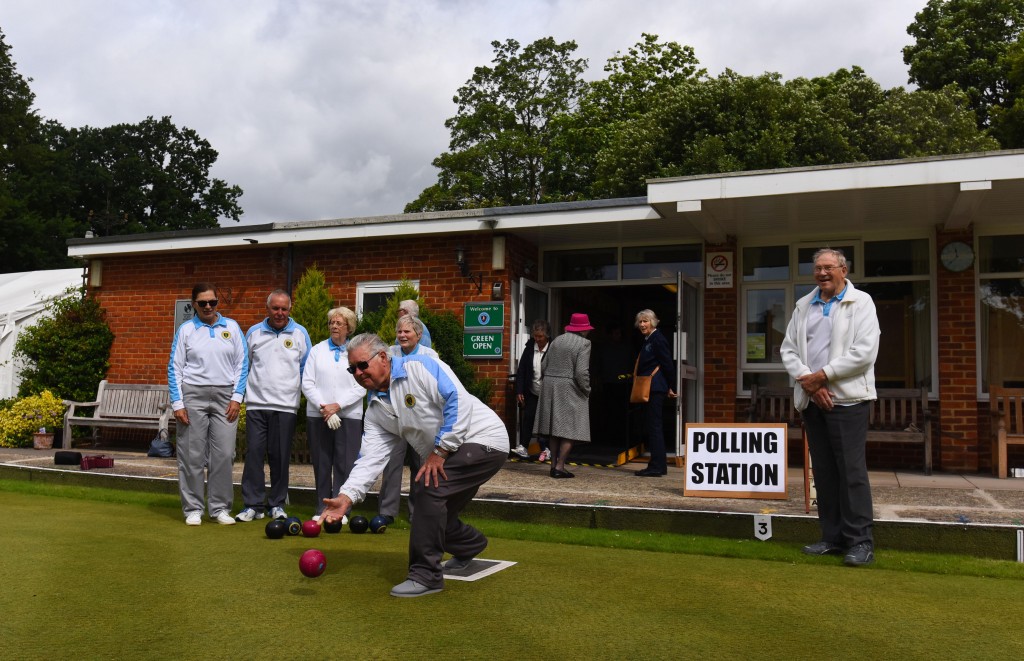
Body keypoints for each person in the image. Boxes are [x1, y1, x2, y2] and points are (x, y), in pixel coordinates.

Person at [320, 333, 509, 598]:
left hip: (484, 439)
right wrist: (346, 496)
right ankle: (469, 544)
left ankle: (426, 575)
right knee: (433, 507)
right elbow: (370, 458)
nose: (359, 372)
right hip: (453, 452)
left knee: (428, 488)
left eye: (363, 364)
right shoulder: (375, 409)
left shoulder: (421, 367)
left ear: (383, 357)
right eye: (353, 369)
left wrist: (440, 451)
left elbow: (458, 400)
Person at [780, 248, 880, 567]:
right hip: (813, 399)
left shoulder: (861, 302)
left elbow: (864, 352)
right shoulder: (803, 305)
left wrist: (823, 377)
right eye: (817, 268)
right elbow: (789, 350)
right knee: (822, 472)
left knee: (851, 471)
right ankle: (832, 537)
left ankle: (860, 542)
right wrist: (812, 382)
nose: (822, 273)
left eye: (828, 268)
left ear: (844, 270)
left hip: (848, 400)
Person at [168, 283, 248, 526]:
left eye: (212, 302)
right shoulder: (186, 330)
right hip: (193, 396)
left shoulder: (232, 327)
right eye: (202, 303)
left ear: (217, 303)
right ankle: (193, 508)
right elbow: (175, 368)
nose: (208, 307)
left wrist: (237, 398)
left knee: (224, 454)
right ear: (194, 304)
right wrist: (178, 403)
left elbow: (242, 364)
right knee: (192, 455)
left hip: (226, 397)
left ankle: (220, 508)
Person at [235, 290, 312, 522]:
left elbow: (305, 369)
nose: (280, 313)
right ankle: (253, 505)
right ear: (267, 309)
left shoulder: (300, 334)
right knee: (254, 455)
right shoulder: (254, 332)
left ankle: (277, 504)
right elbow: (244, 367)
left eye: (284, 309)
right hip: (256, 404)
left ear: (290, 309)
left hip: (286, 406)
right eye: (275, 308)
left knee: (279, 457)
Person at [301, 306, 366, 523]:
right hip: (318, 414)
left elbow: (363, 385)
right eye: (332, 323)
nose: (334, 326)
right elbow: (307, 382)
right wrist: (325, 407)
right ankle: (322, 507)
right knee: (322, 462)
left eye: (339, 323)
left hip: (349, 415)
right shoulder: (317, 350)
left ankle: (341, 510)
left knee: (345, 464)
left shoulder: (357, 352)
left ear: (349, 327)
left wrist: (337, 406)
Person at [378, 315, 440, 524]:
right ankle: (387, 512)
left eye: (407, 332)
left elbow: (437, 385)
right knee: (392, 464)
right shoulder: (389, 353)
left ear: (419, 335)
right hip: (395, 417)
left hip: (421, 418)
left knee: (421, 466)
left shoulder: (429, 355)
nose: (402, 336)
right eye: (400, 332)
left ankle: (419, 512)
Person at [533, 312, 593, 478]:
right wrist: (586, 389)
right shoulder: (584, 344)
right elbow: (581, 372)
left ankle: (553, 466)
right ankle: (560, 466)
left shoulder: (557, 340)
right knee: (570, 429)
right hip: (569, 387)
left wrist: (551, 379)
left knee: (554, 429)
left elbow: (543, 365)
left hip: (550, 386)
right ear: (583, 329)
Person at [633, 309, 677, 477]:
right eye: (640, 322)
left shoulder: (657, 339)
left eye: (646, 321)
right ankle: (657, 465)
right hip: (652, 387)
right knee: (652, 426)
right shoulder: (648, 339)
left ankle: (657, 466)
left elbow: (667, 363)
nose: (643, 324)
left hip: (655, 388)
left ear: (653, 322)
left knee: (654, 427)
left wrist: (672, 386)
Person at [513, 319, 551, 461]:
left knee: (545, 421)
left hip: (548, 393)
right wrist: (519, 390)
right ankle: (523, 446)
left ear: (547, 336)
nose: (537, 339)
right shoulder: (530, 347)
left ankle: (546, 449)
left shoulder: (553, 348)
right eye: (535, 336)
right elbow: (522, 370)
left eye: (540, 337)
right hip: (532, 391)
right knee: (528, 418)